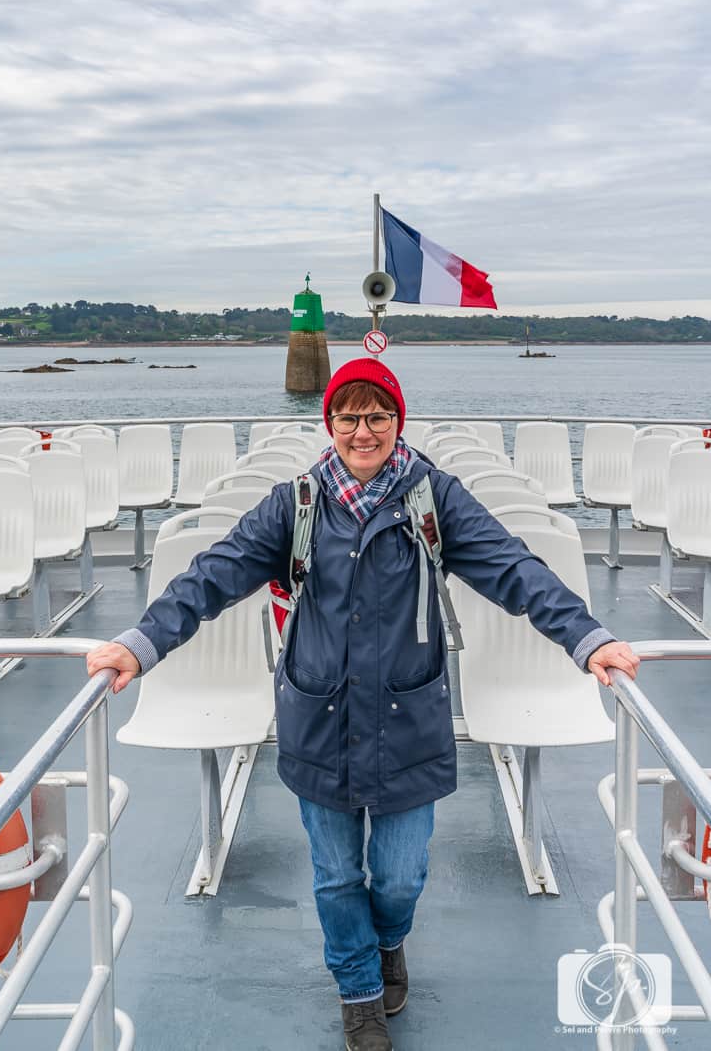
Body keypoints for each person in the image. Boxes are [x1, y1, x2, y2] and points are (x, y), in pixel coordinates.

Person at [87, 357, 640, 1051]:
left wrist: (585, 638)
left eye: (377, 415)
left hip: (410, 720)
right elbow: (213, 575)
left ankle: (389, 942)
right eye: (347, 416)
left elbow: (512, 567)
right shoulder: (296, 504)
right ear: (331, 424)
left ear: (397, 421)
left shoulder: (431, 498)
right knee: (336, 873)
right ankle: (359, 994)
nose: (362, 430)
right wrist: (139, 645)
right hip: (319, 718)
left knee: (401, 877)